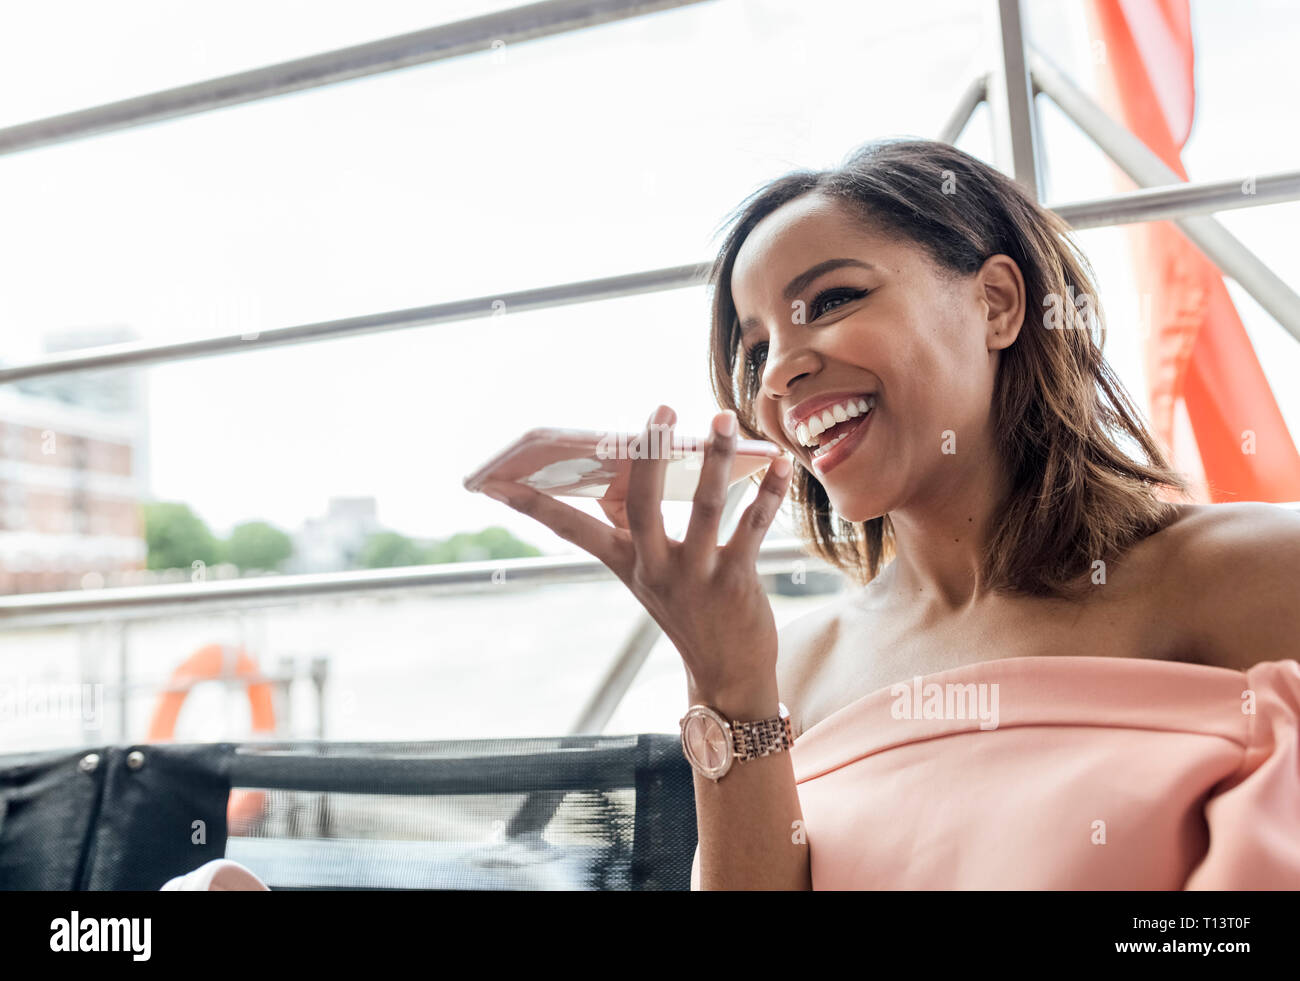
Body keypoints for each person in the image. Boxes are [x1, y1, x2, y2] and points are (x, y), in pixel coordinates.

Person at [476, 138, 1300, 889]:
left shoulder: (1252, 576)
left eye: (831, 300)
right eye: (756, 348)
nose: (780, 373)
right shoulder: (789, 674)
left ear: (999, 304)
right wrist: (725, 683)